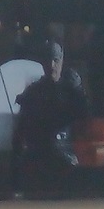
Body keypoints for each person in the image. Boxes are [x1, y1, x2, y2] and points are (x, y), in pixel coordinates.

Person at [13, 36, 87, 171]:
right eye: (47, 61)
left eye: (56, 60)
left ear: (62, 61)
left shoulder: (71, 92)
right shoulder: (33, 92)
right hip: (38, 158)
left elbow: (84, 121)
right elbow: (20, 129)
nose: (52, 66)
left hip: (65, 155)